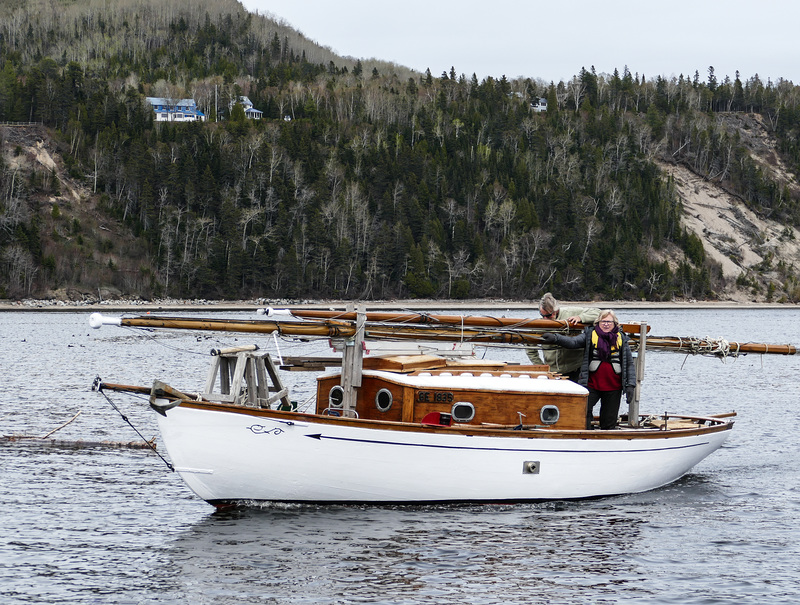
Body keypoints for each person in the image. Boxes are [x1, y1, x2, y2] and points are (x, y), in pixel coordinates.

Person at [540, 310, 636, 430]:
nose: (606, 324)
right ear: (598, 322)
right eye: (603, 321)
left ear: (615, 323)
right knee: (582, 413)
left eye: (609, 322)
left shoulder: (622, 338)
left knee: (609, 422)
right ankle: (585, 436)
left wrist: (630, 385)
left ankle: (606, 443)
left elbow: (629, 364)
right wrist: (555, 338)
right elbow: (573, 342)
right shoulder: (589, 334)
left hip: (614, 387)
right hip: (591, 384)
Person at [528, 292, 600, 382]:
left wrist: (581, 317)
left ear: (556, 310)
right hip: (552, 371)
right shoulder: (538, 324)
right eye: (542, 316)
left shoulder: (570, 312)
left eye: (549, 315)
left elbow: (599, 313)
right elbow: (529, 346)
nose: (545, 319)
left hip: (576, 368)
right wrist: (540, 365)